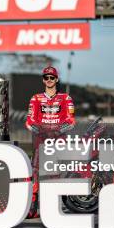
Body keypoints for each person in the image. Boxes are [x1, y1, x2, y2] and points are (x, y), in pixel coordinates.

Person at [25, 66, 75, 218]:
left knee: (56, 173)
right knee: (35, 171)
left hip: (59, 140)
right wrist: (42, 131)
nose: (49, 80)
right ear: (43, 80)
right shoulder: (36, 98)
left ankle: (53, 207)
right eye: (46, 78)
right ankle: (33, 207)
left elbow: (71, 120)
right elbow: (29, 121)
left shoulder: (66, 98)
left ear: (57, 79)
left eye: (52, 78)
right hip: (41, 140)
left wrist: (57, 132)